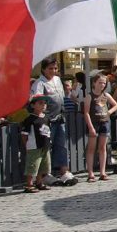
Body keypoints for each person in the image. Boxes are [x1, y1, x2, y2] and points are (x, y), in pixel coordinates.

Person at [29, 58, 76, 187]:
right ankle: (45, 174)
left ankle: (63, 171)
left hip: (60, 117)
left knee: (61, 145)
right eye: (50, 68)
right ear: (43, 69)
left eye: (55, 68)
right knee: (46, 147)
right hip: (46, 120)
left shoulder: (57, 80)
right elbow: (36, 101)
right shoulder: (39, 83)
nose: (53, 71)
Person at [84, 73, 117, 182]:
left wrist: (109, 112)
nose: (102, 85)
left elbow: (116, 105)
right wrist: (90, 127)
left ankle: (102, 171)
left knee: (102, 148)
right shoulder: (90, 96)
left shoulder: (106, 95)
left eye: (104, 83)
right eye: (100, 82)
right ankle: (90, 173)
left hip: (104, 123)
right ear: (94, 83)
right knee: (91, 149)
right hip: (94, 123)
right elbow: (86, 112)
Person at [19, 95, 53, 193]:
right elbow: (24, 134)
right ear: (33, 105)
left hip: (45, 145)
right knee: (33, 165)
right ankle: (29, 184)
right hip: (34, 145)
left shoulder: (46, 117)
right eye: (40, 103)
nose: (43, 105)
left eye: (44, 103)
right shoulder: (29, 119)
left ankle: (39, 182)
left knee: (43, 165)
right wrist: (27, 145)